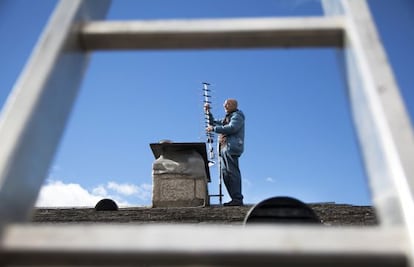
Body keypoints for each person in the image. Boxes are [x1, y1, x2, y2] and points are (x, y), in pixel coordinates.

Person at [204, 99, 245, 206]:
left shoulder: (237, 116)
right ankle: (234, 199)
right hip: (223, 148)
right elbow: (213, 122)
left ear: (234, 105)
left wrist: (213, 129)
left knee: (232, 172)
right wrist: (208, 112)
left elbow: (232, 128)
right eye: (225, 104)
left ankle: (237, 198)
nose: (225, 105)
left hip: (230, 148)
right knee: (226, 174)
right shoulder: (227, 118)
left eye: (228, 104)